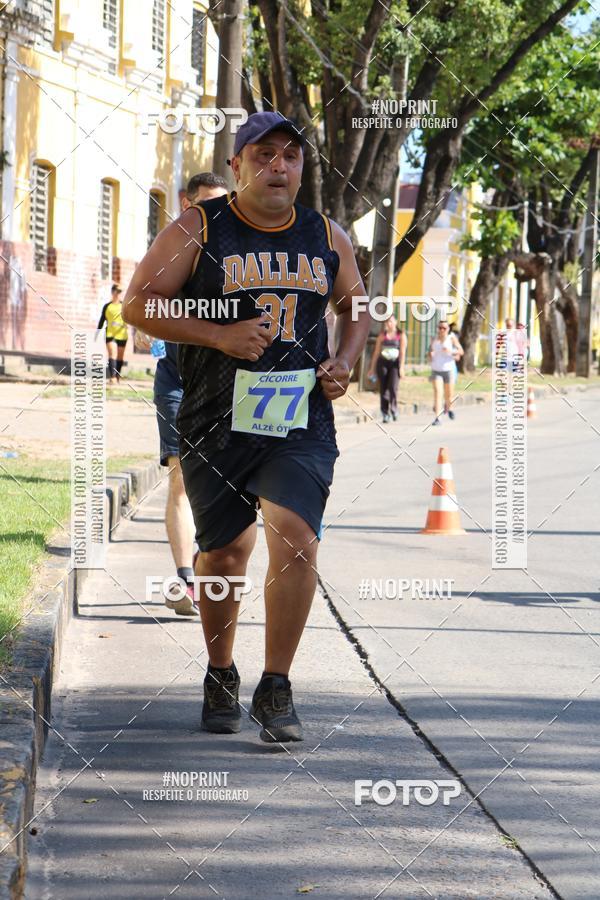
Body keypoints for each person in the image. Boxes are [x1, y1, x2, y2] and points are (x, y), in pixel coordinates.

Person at [122, 111, 371, 743]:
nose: (278, 166)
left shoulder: (325, 233)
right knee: (227, 553)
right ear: (238, 165)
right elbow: (137, 304)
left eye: (291, 156)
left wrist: (344, 359)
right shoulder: (199, 228)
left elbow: (359, 305)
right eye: (264, 154)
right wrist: (217, 335)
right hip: (215, 419)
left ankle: (277, 686)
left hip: (300, 420)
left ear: (302, 168)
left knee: (295, 538)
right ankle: (220, 670)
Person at [136, 173, 228, 617]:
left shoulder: (238, 258)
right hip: (176, 382)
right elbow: (141, 307)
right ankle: (186, 580)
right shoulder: (168, 254)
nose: (213, 215)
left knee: (229, 485)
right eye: (204, 206)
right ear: (186, 204)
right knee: (181, 477)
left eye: (222, 205)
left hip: (229, 388)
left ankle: (204, 562)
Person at [367, 314, 406, 422]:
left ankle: (394, 409)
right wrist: (372, 368)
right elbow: (376, 352)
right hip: (383, 363)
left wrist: (401, 367)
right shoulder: (382, 335)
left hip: (395, 364)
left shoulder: (400, 335)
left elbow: (402, 352)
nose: (389, 324)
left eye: (391, 321)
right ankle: (385, 413)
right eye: (387, 322)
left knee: (393, 387)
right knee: (383, 388)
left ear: (396, 322)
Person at [428, 320, 463, 425]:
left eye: (444, 328)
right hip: (436, 370)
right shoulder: (434, 339)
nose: (442, 330)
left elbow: (461, 351)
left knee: (449, 395)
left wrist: (451, 352)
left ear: (448, 329)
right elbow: (429, 352)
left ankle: (449, 408)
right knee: (438, 393)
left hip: (449, 370)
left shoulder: (451, 338)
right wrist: (430, 354)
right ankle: (438, 418)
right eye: (440, 328)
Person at [96, 284, 128, 384]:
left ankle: (117, 376)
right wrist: (97, 332)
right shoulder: (107, 306)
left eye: (119, 292)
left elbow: (130, 318)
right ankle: (113, 377)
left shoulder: (124, 305)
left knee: (120, 357)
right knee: (112, 354)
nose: (118, 294)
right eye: (116, 291)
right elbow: (102, 320)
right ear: (112, 292)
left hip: (122, 335)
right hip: (110, 334)